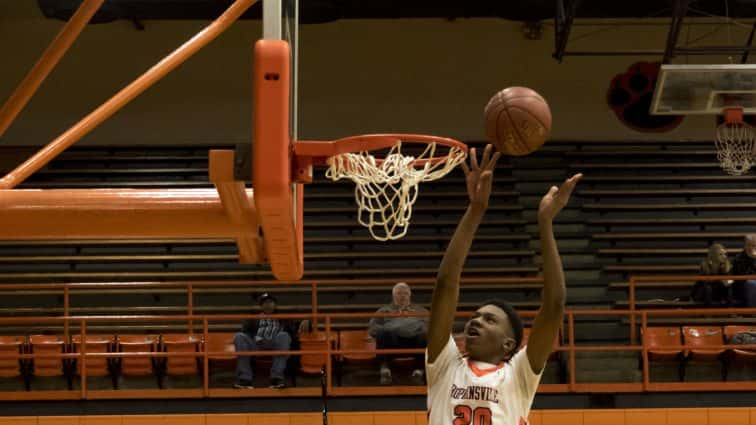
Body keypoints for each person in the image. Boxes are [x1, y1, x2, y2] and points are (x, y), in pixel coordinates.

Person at [425, 145, 580, 425]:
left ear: (509, 345)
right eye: (475, 316)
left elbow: (554, 305)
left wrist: (545, 223)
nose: (476, 320)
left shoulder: (518, 375)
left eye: (489, 319)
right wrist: (476, 210)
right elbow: (445, 284)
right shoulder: (444, 365)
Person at [233, 293, 309, 389]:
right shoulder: (253, 319)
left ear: (275, 305)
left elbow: (298, 326)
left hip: (275, 343)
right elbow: (244, 331)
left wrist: (308, 321)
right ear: (261, 306)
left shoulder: (284, 318)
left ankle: (276, 378)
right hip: (257, 343)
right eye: (265, 303)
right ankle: (244, 379)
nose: (268, 305)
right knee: (239, 336)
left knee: (284, 335)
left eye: (270, 302)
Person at [368, 282, 428, 385]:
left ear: (409, 295)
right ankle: (385, 371)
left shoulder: (421, 310)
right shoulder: (383, 311)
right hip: (392, 342)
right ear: (393, 295)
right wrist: (392, 328)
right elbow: (372, 329)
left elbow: (431, 327)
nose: (402, 296)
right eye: (399, 293)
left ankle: (419, 372)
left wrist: (397, 326)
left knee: (425, 335)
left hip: (414, 341)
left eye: (405, 293)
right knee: (382, 332)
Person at [732, 234, 756, 308]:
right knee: (751, 283)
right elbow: (744, 275)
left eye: (754, 245)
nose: (751, 248)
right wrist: (752, 260)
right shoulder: (738, 258)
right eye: (749, 245)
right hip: (742, 286)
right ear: (745, 246)